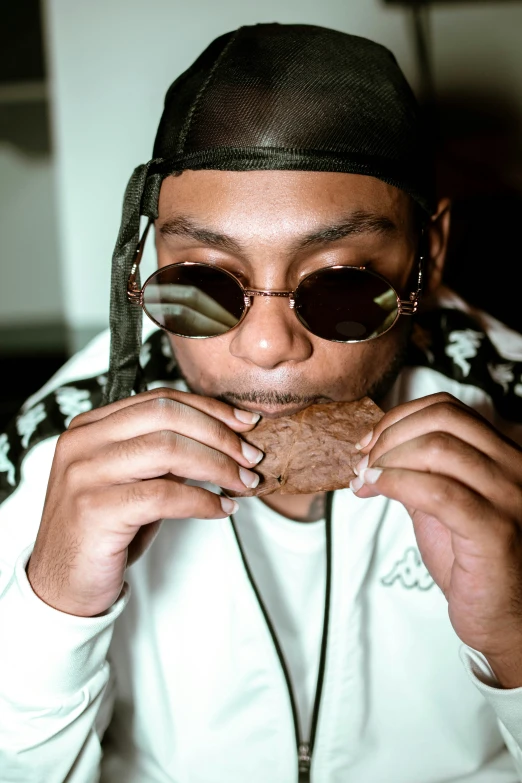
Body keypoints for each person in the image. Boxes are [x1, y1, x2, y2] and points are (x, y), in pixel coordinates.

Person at [1, 21, 522, 783]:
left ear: (427, 255)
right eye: (204, 284)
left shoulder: (509, 414)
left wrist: (513, 638)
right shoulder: (49, 447)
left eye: (341, 281)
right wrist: (50, 610)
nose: (266, 344)